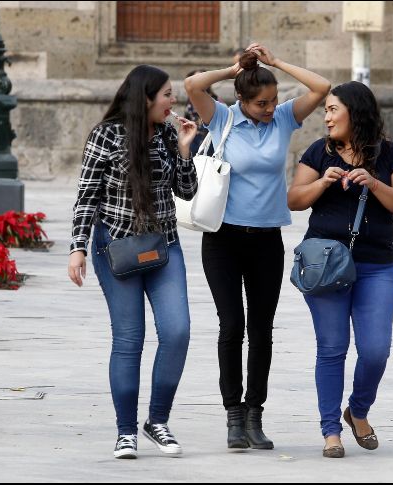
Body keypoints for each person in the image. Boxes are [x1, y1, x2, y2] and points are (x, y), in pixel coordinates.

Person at [184, 44, 330, 450]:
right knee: (232, 326)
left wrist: (276, 63)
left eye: (273, 100)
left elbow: (322, 87)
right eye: (261, 103)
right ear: (241, 99)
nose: (269, 108)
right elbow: (192, 85)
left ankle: (255, 414)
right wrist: (233, 68)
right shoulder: (223, 118)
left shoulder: (283, 119)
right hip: (223, 239)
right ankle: (233, 414)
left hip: (267, 240)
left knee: (262, 330)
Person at [67, 65, 199, 460]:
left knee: (177, 332)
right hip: (116, 248)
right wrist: (77, 247)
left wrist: (185, 149)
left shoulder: (166, 135)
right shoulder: (106, 135)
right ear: (146, 97)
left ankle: (157, 421)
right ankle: (125, 432)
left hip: (163, 246)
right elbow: (87, 195)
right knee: (129, 339)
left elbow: (187, 192)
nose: (173, 101)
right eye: (167, 94)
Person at [287, 81, 393, 458]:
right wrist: (322, 183)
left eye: (332, 110)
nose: (326, 118)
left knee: (375, 350)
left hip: (377, 266)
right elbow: (294, 199)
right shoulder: (319, 152)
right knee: (332, 348)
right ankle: (331, 431)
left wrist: (373, 183)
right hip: (325, 265)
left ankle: (357, 410)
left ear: (355, 112)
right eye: (325, 110)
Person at [183, 69, 220, 155]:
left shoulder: (214, 99)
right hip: (193, 137)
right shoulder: (190, 99)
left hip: (209, 138)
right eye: (195, 79)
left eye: (200, 78)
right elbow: (187, 116)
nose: (197, 82)